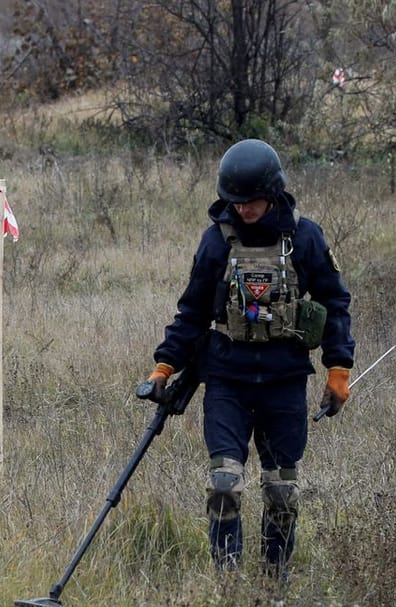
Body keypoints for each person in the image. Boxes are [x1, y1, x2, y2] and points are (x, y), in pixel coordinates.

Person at [144, 139, 354, 574]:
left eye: (252, 201)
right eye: (236, 201)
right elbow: (192, 311)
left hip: (285, 380)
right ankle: (227, 581)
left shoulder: (304, 237)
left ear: (272, 191)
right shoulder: (216, 242)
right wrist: (166, 364)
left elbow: (335, 302)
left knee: (281, 489)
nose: (244, 209)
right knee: (224, 483)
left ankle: (273, 585)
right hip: (227, 380)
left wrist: (339, 369)